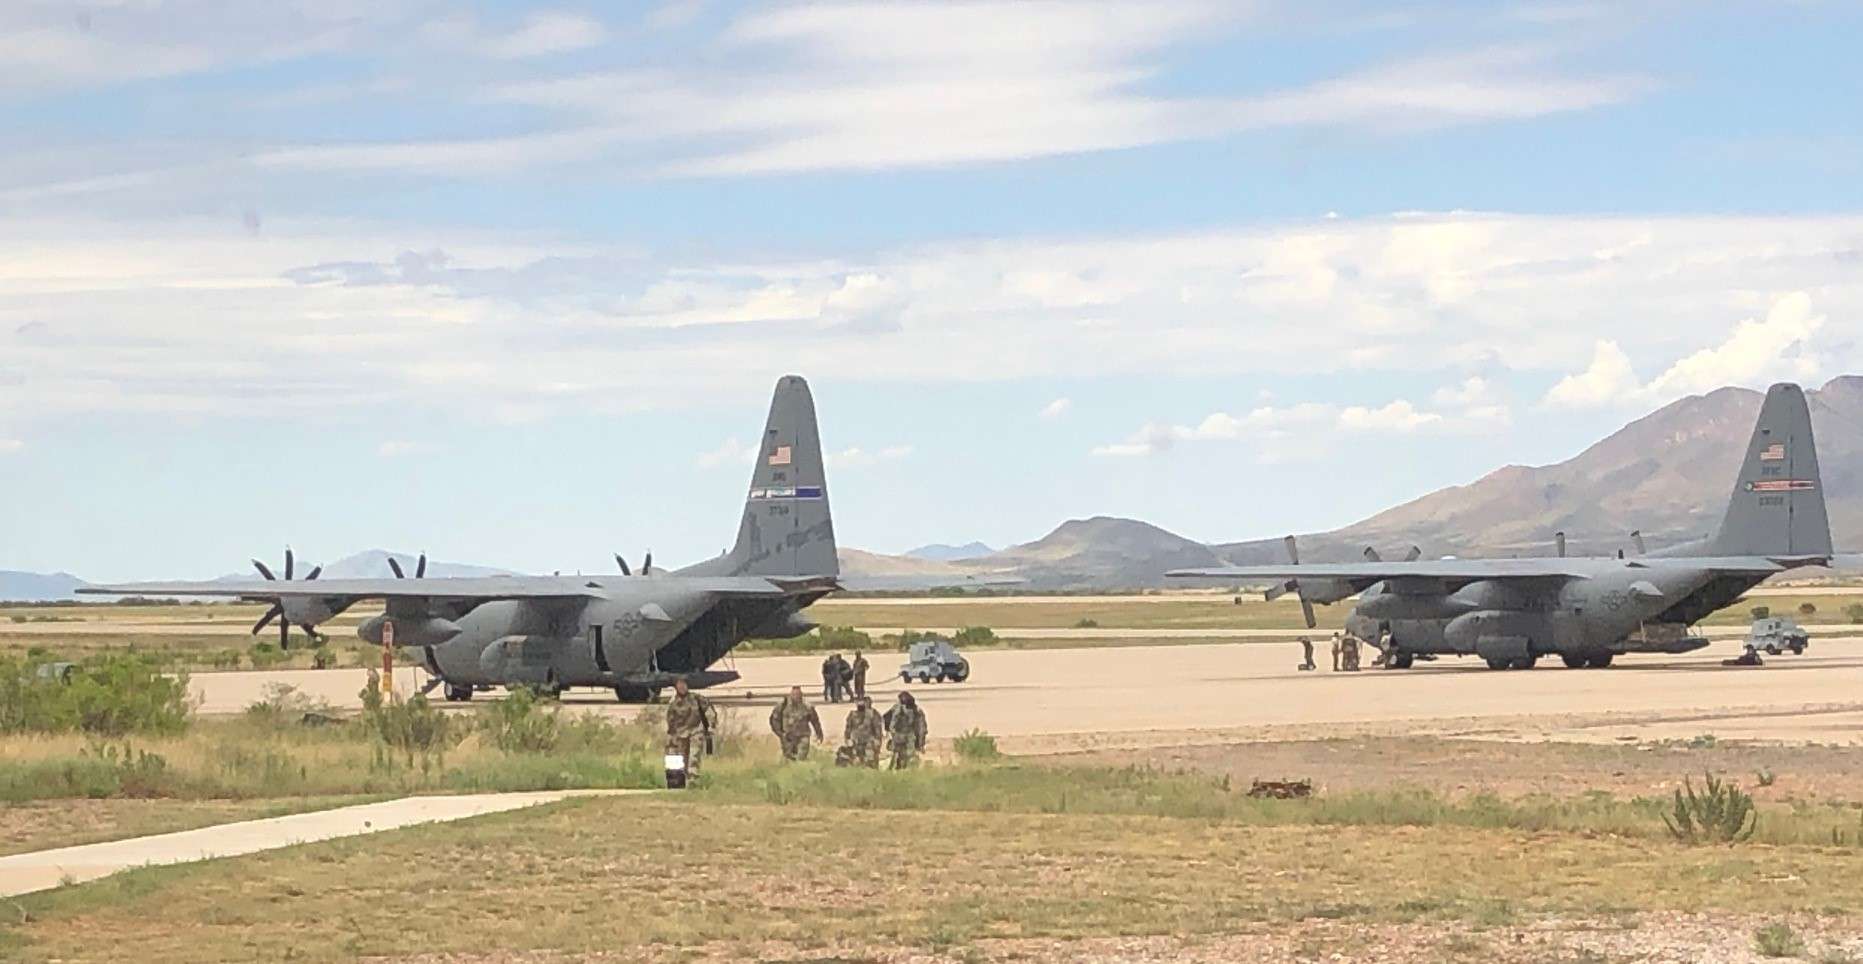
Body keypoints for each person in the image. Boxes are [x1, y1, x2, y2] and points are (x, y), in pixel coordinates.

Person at [664, 678, 716, 776]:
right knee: (677, 758)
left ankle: (693, 776)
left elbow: (709, 712)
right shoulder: (674, 703)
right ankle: (678, 778)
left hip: (696, 731)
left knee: (694, 754)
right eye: (679, 685)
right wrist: (671, 735)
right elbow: (670, 721)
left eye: (683, 684)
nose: (682, 687)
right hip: (680, 733)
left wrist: (710, 726)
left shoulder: (697, 698)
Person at [768, 686, 823, 761]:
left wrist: (819, 734)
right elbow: (774, 720)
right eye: (794, 695)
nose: (796, 697)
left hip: (803, 736)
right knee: (789, 758)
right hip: (788, 737)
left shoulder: (807, 706)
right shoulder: (783, 705)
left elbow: (815, 721)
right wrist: (780, 733)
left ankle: (800, 768)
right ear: (791, 695)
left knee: (801, 757)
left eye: (798, 695)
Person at [883, 691, 928, 769]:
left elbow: (921, 728)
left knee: (902, 755)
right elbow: (922, 728)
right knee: (902, 756)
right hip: (902, 735)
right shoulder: (915, 710)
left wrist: (920, 742)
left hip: (903, 735)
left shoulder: (914, 710)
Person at [842, 695, 885, 768]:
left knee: (870, 761)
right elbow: (848, 728)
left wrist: (877, 740)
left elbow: (877, 729)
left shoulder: (872, 714)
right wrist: (847, 739)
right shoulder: (853, 714)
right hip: (856, 741)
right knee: (856, 760)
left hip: (869, 741)